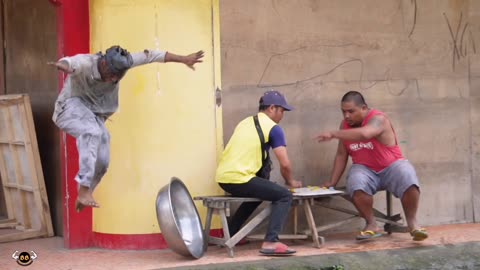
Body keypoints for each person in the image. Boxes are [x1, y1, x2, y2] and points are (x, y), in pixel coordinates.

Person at [49, 45, 204, 212]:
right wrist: (62, 64)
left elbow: (153, 55)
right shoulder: (86, 63)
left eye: (117, 77)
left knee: (103, 159)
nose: (113, 79)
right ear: (104, 65)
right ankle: (84, 187)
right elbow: (70, 62)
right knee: (91, 132)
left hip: (93, 114)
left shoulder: (126, 63)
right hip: (69, 109)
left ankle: (85, 193)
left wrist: (184, 59)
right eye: (111, 75)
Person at [314, 91, 428, 241]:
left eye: (351, 111)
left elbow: (365, 134)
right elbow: (342, 154)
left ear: (364, 108)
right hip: (365, 169)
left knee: (407, 174)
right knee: (355, 181)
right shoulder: (345, 125)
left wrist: (334, 133)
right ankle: (371, 224)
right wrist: (332, 183)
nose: (346, 116)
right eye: (343, 112)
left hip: (391, 166)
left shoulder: (378, 119)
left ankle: (413, 223)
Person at [215, 90, 302, 256]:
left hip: (224, 178)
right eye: (281, 110)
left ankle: (232, 233)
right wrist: (291, 181)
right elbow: (285, 164)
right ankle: (271, 241)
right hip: (240, 178)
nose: (282, 115)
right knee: (283, 195)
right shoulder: (273, 128)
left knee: (262, 192)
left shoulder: (245, 122)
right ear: (271, 108)